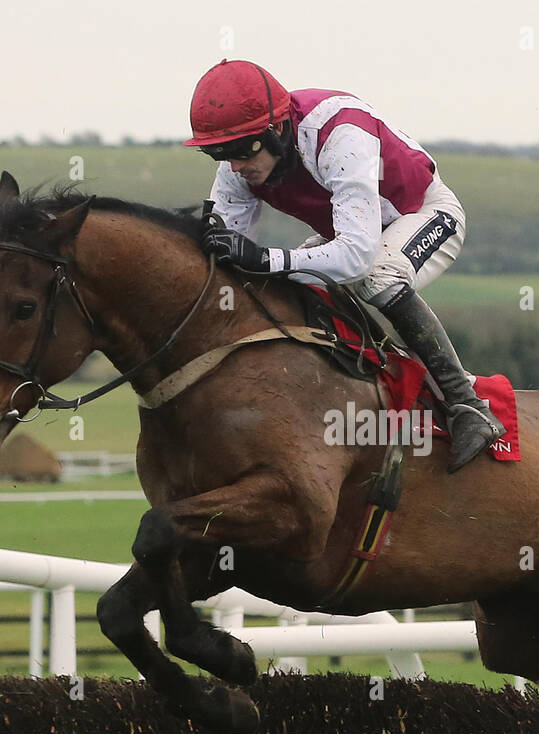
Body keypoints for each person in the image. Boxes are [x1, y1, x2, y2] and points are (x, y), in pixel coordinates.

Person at [183, 59, 505, 473]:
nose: (234, 166)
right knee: (290, 286)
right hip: (352, 232)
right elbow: (226, 254)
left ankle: (467, 405)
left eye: (243, 150)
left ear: (277, 129)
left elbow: (355, 257)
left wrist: (266, 260)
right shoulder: (239, 166)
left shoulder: (340, 133)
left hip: (422, 213)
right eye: (217, 154)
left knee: (376, 278)